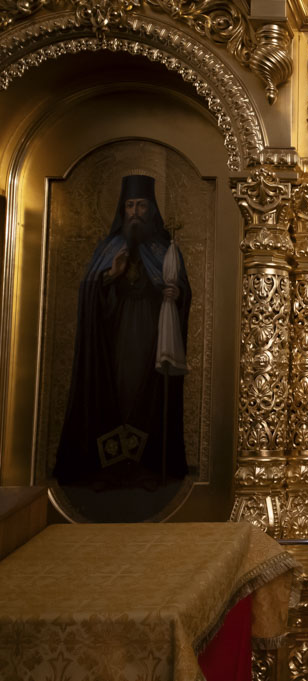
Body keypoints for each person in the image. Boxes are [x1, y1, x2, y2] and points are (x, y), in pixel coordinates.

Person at [53, 174, 191, 487]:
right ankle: (109, 466)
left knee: (147, 392)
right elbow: (89, 291)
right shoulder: (109, 248)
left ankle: (147, 466)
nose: (135, 212)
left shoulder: (165, 249)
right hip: (115, 338)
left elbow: (181, 289)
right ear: (122, 208)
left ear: (151, 209)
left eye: (141, 205)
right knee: (117, 390)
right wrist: (110, 276)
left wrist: (177, 294)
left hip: (152, 338)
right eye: (130, 205)